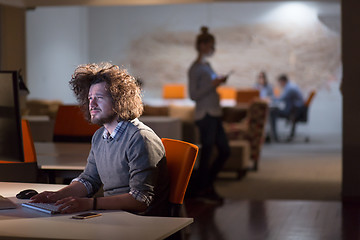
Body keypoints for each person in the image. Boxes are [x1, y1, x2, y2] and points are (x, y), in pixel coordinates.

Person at [31, 62, 170, 216]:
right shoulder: (99, 136)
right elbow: (89, 180)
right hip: (113, 215)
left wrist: (91, 203)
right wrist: (56, 196)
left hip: (139, 223)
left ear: (119, 100)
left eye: (99, 97)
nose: (92, 104)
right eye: (90, 98)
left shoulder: (140, 138)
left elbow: (140, 199)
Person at [188, 26, 230, 203]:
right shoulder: (195, 68)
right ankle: (204, 187)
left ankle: (204, 184)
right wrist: (213, 84)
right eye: (211, 45)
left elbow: (209, 87)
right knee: (209, 152)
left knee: (224, 151)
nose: (213, 48)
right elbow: (193, 95)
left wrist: (217, 82)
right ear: (203, 45)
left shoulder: (207, 65)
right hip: (205, 115)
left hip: (214, 112)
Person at [269, 74, 305, 142]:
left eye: (280, 83)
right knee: (274, 110)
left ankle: (274, 137)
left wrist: (270, 99)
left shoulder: (290, 88)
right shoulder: (291, 85)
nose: (280, 85)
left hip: (294, 111)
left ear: (283, 81)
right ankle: (273, 136)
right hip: (295, 110)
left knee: (273, 112)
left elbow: (281, 99)